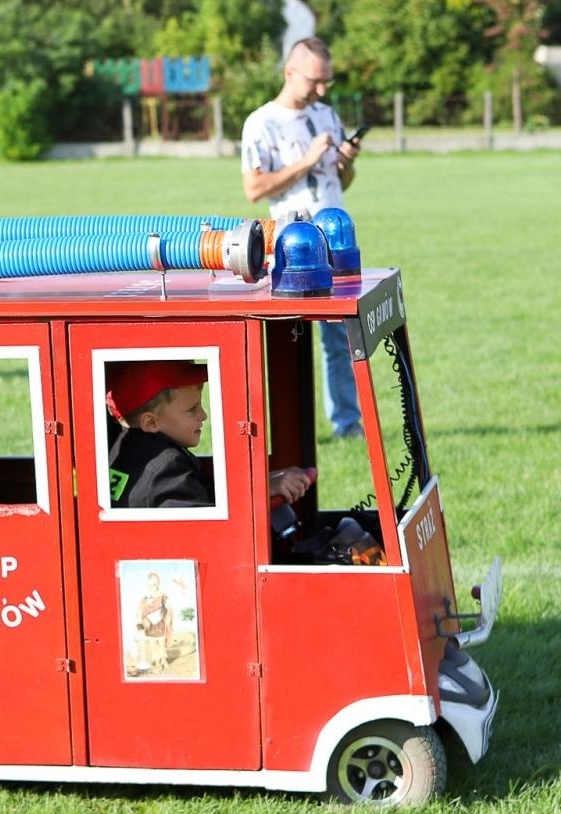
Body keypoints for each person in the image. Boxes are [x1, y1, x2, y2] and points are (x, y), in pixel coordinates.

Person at [240, 36, 364, 440]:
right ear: (290, 72)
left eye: (326, 81)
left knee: (341, 340)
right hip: (290, 247)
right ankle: (284, 434)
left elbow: (341, 179)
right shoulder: (261, 123)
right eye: (315, 81)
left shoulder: (326, 115)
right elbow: (254, 189)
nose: (322, 90)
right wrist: (306, 160)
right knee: (285, 344)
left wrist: (346, 161)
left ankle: (347, 426)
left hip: (334, 239)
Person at [106, 360, 313, 509]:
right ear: (151, 422)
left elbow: (198, 491)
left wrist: (265, 484)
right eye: (191, 409)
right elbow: (203, 528)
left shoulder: (124, 449)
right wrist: (258, 494)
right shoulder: (165, 468)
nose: (203, 415)